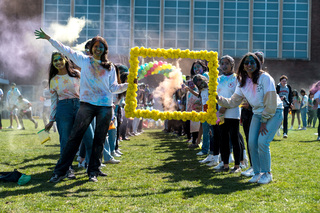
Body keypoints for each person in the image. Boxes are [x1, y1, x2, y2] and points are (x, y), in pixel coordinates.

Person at [35, 28, 128, 183]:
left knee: (98, 140)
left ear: (105, 49)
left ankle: (93, 171)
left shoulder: (110, 66)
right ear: (91, 48)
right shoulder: (84, 60)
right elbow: (65, 49)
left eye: (101, 46)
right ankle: (60, 171)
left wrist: (127, 85)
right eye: (95, 46)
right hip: (86, 106)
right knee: (74, 139)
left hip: (105, 107)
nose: (98, 48)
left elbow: (113, 88)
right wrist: (49, 39)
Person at [217, 52, 283, 184]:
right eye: (246, 63)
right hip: (258, 113)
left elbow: (271, 102)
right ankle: (257, 172)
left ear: (257, 64)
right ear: (242, 65)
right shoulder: (242, 82)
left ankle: (267, 173)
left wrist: (264, 121)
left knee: (262, 142)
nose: (249, 65)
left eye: (252, 62)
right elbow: (233, 102)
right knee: (252, 143)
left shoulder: (265, 78)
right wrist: (217, 98)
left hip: (274, 112)